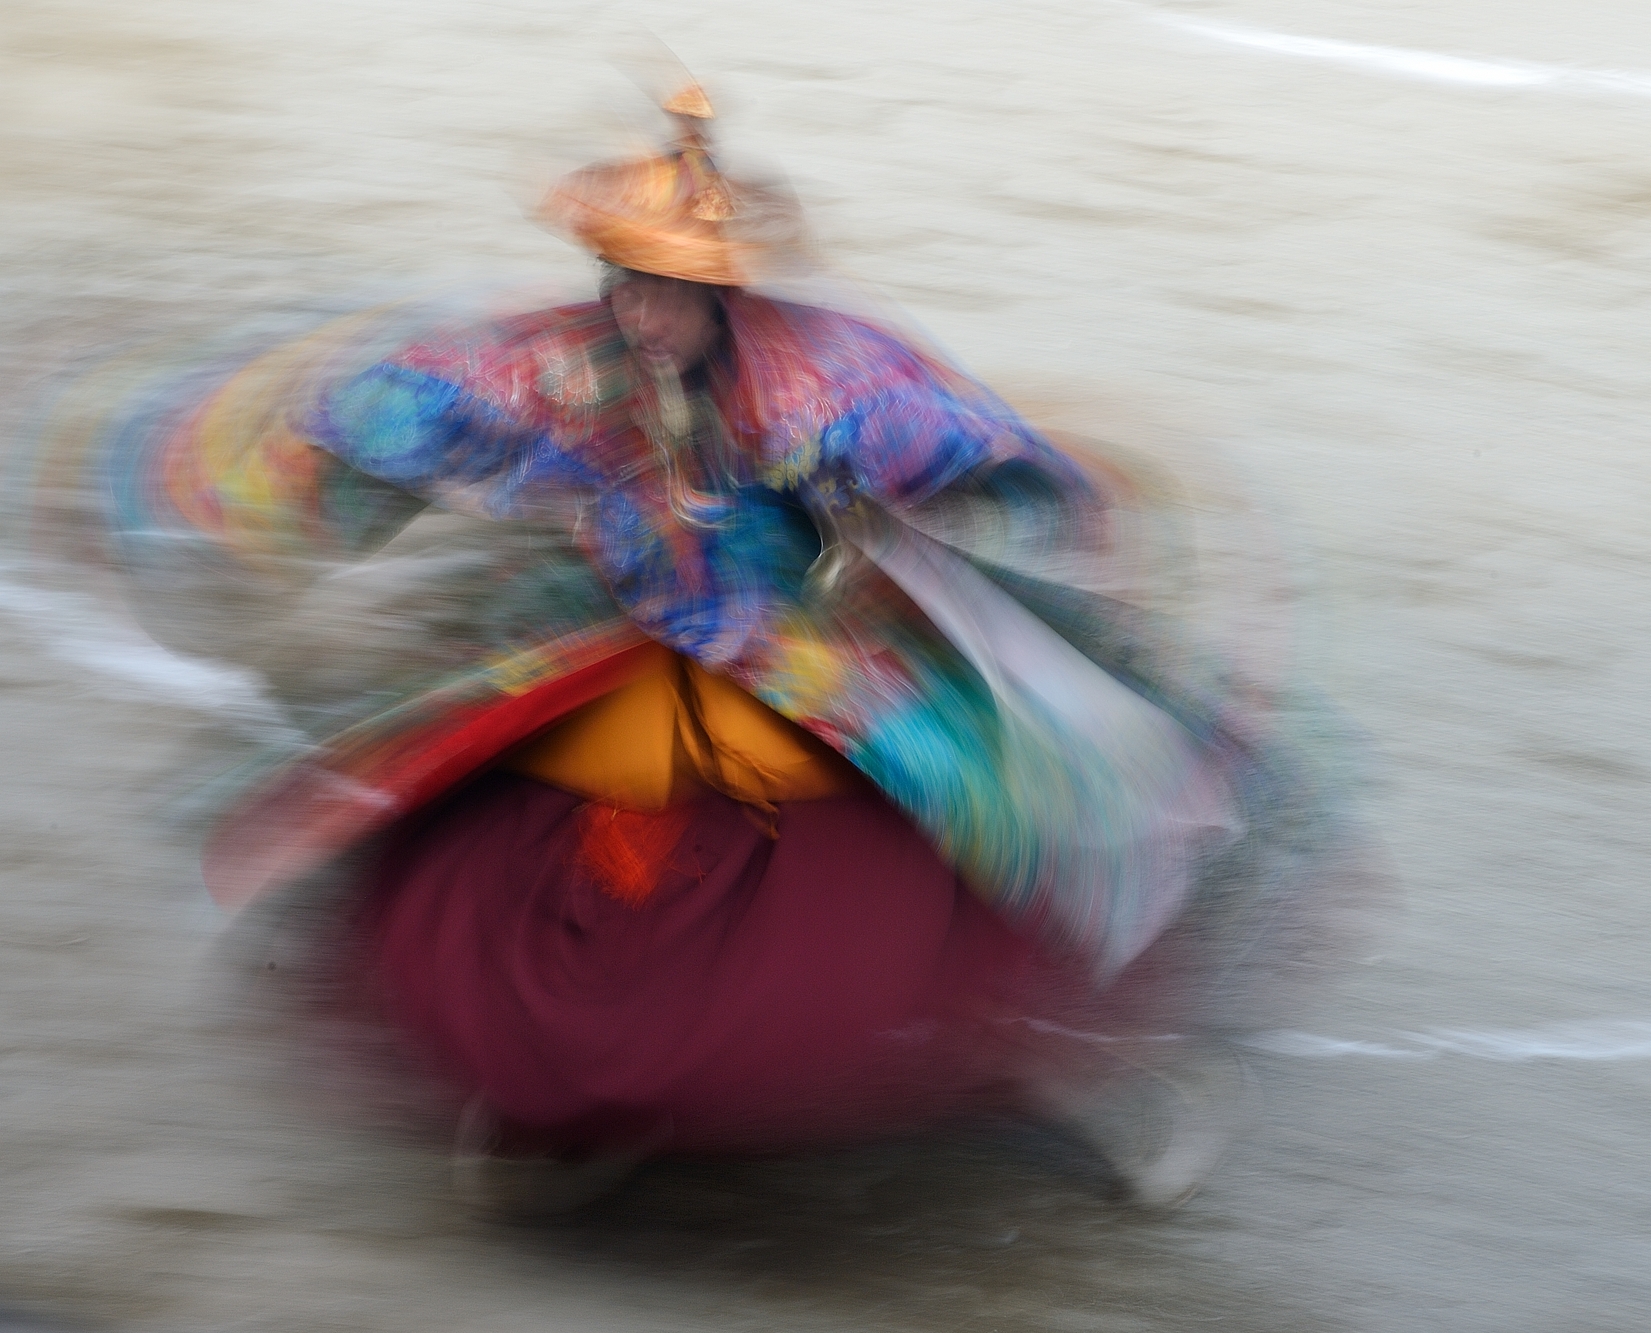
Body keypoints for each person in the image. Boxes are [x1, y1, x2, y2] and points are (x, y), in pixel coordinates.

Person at [63, 83, 1287, 1213]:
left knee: (988, 842)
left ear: (724, 296)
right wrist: (291, 471)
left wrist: (1016, 486)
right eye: (621, 279)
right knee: (474, 807)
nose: (637, 311)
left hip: (814, 656)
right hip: (622, 639)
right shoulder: (564, 361)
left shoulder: (830, 385)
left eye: (664, 289)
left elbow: (980, 456)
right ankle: (558, 1091)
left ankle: (1094, 1065)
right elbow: (426, 412)